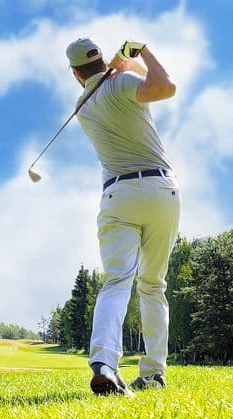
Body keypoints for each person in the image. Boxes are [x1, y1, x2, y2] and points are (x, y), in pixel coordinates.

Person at [65, 38, 181, 396]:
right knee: (153, 285)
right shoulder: (123, 82)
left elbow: (109, 82)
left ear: (74, 72)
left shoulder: (82, 104)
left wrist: (121, 66)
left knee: (117, 282)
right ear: (103, 59)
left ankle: (104, 364)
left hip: (117, 194)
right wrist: (141, 52)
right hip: (161, 190)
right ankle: (153, 373)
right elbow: (166, 86)